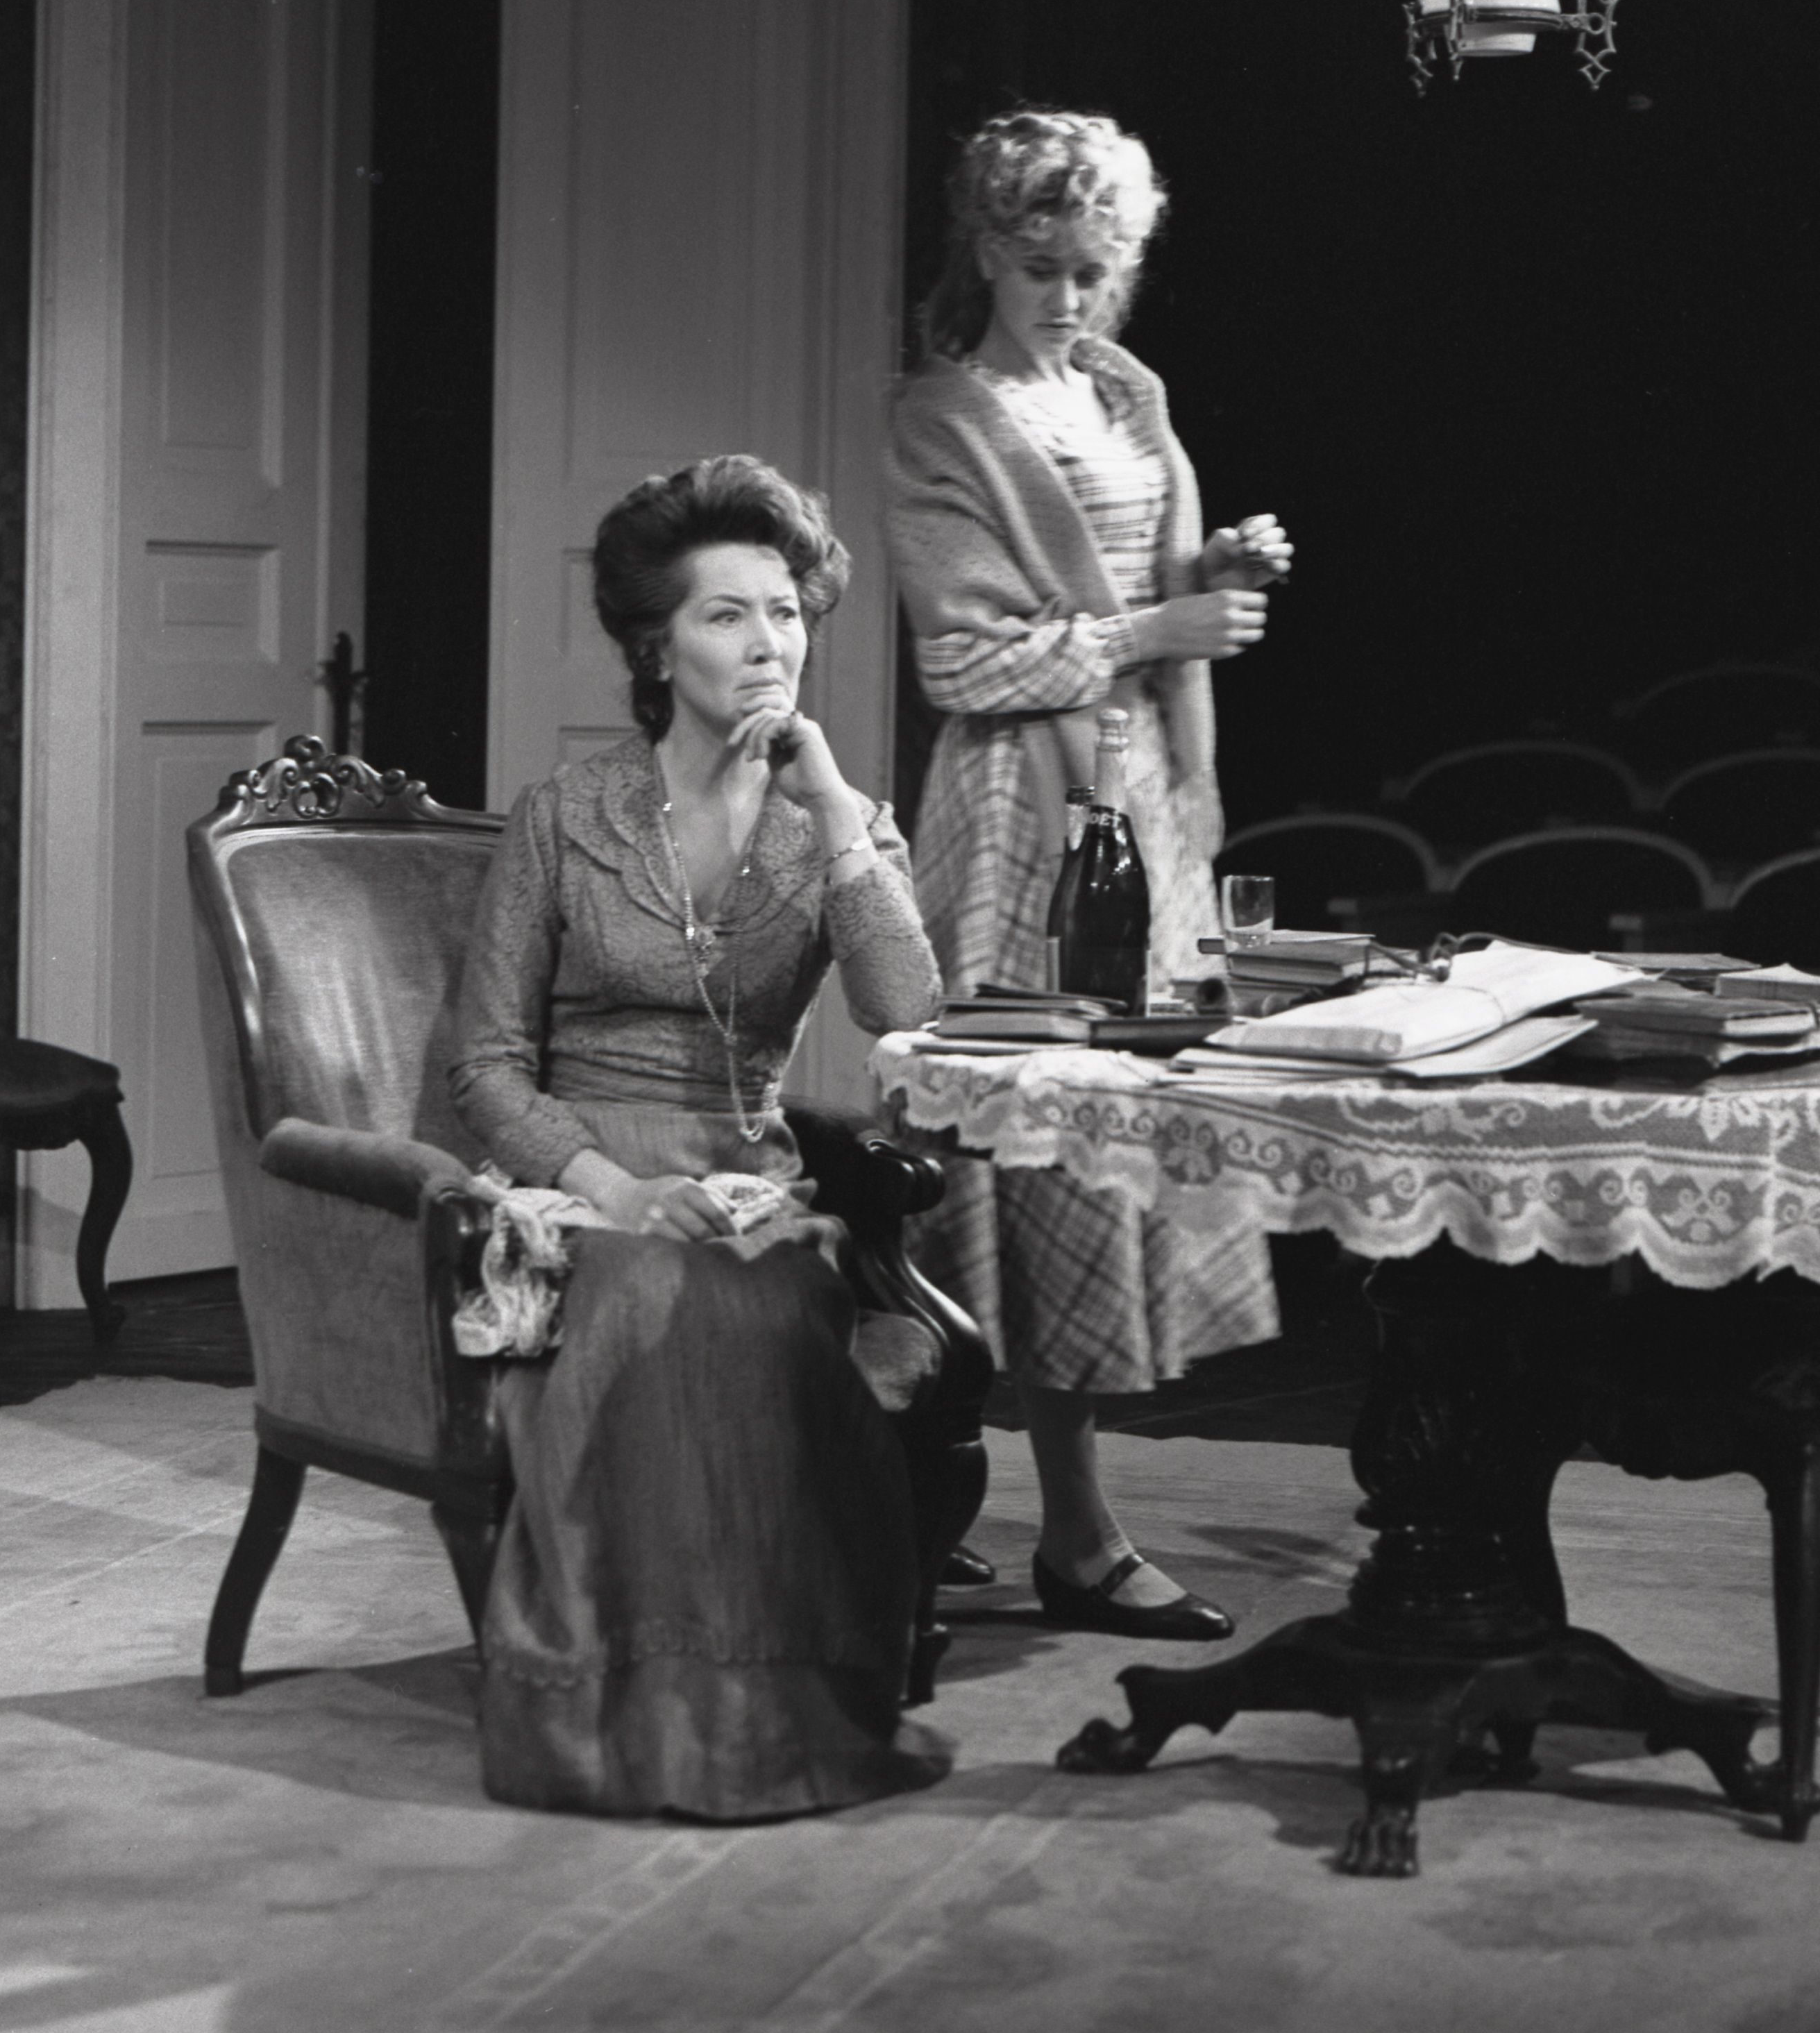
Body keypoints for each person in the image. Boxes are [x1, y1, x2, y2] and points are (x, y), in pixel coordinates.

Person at [450, 452, 947, 1819]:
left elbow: (906, 1012)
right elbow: (483, 1069)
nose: (769, 641)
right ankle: (628, 1708)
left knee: (752, 1300)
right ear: (654, 647)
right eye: (728, 614)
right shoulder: (562, 817)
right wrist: (610, 1189)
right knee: (658, 1292)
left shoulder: (838, 828)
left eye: (786, 611)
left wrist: (833, 806)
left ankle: (769, 1702)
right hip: (577, 1173)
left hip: (747, 1174)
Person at [888, 107, 1292, 1642]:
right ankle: (1061, 1526)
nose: (1069, 296)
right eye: (1042, 265)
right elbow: (964, 660)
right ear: (988, 252)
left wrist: (1212, 576)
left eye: (1095, 269)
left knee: (1107, 1142)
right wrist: (1156, 629)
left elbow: (1139, 589)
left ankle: (971, 1501)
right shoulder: (945, 416)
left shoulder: (1124, 392)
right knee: (1027, 1148)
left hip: (1138, 799)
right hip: (1021, 814)